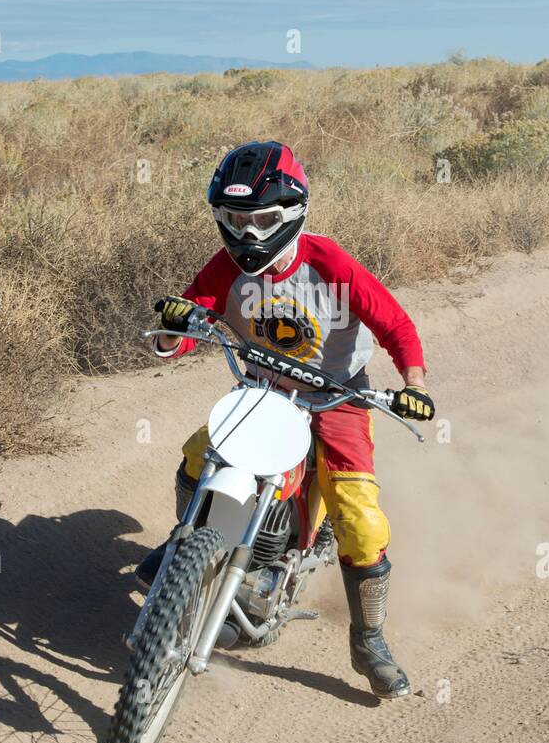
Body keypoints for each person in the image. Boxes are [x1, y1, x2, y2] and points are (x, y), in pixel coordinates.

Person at [144, 140, 434, 699]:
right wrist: (169, 331)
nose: (249, 235)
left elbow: (396, 326)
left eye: (263, 221)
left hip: (339, 398)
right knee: (196, 456)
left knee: (361, 520)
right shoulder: (224, 268)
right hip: (262, 392)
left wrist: (414, 386)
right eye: (235, 220)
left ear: (293, 214)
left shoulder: (330, 265)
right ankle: (187, 548)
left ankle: (368, 640)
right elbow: (188, 322)